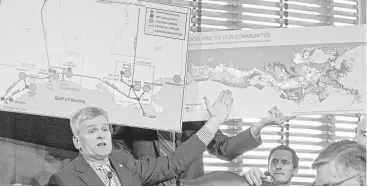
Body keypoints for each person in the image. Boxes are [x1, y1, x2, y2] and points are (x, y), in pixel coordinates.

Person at [47, 90, 233, 186]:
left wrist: (214, 121)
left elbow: (174, 163)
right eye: (91, 131)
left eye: (104, 129)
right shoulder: (63, 180)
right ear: (77, 141)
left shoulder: (124, 162)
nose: (100, 135)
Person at [112, 103, 292, 184]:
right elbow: (122, 159)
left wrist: (260, 124)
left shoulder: (195, 115)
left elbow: (224, 148)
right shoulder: (132, 112)